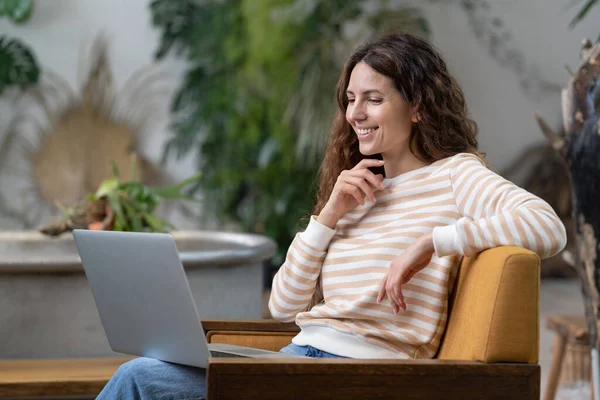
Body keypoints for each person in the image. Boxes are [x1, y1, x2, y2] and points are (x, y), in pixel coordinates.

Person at [96, 32, 567, 399]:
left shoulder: (453, 176)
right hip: (301, 358)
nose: (355, 113)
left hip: (354, 375)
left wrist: (431, 243)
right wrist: (327, 217)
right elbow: (283, 307)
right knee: (147, 374)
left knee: (141, 380)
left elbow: (547, 225)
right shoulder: (355, 188)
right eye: (350, 99)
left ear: (419, 106)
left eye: (373, 99)